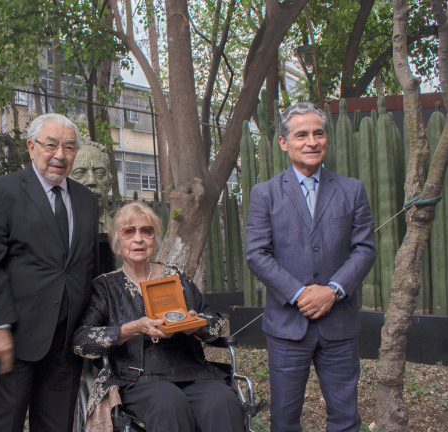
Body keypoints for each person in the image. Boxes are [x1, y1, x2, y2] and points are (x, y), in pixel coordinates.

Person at [245, 102, 377, 431]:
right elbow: (257, 253)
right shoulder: (265, 194)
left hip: (339, 325)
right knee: (285, 419)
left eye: (318, 133)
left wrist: (332, 291)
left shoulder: (352, 190)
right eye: (301, 134)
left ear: (327, 139)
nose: (311, 141)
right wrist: (300, 293)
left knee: (346, 418)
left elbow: (364, 249)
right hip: (287, 327)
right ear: (284, 142)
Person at [0, 113, 100, 432]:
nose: (60, 155)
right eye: (51, 145)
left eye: (69, 147)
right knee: (4, 424)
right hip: (14, 334)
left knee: (57, 425)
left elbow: (87, 266)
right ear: (31, 147)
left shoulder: (86, 201)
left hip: (66, 341)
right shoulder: (1, 192)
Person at [72, 202, 244, 432]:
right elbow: (82, 341)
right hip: (137, 377)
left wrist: (196, 326)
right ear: (117, 243)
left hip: (191, 371)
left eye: (147, 231)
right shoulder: (105, 287)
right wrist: (130, 329)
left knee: (223, 400)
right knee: (169, 402)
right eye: (129, 231)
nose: (138, 239)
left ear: (154, 239)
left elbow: (215, 323)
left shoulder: (177, 278)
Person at [70, 140, 113, 233]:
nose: (91, 180)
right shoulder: (54, 232)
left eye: (99, 173)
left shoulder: (121, 232)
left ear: (109, 183)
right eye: (79, 172)